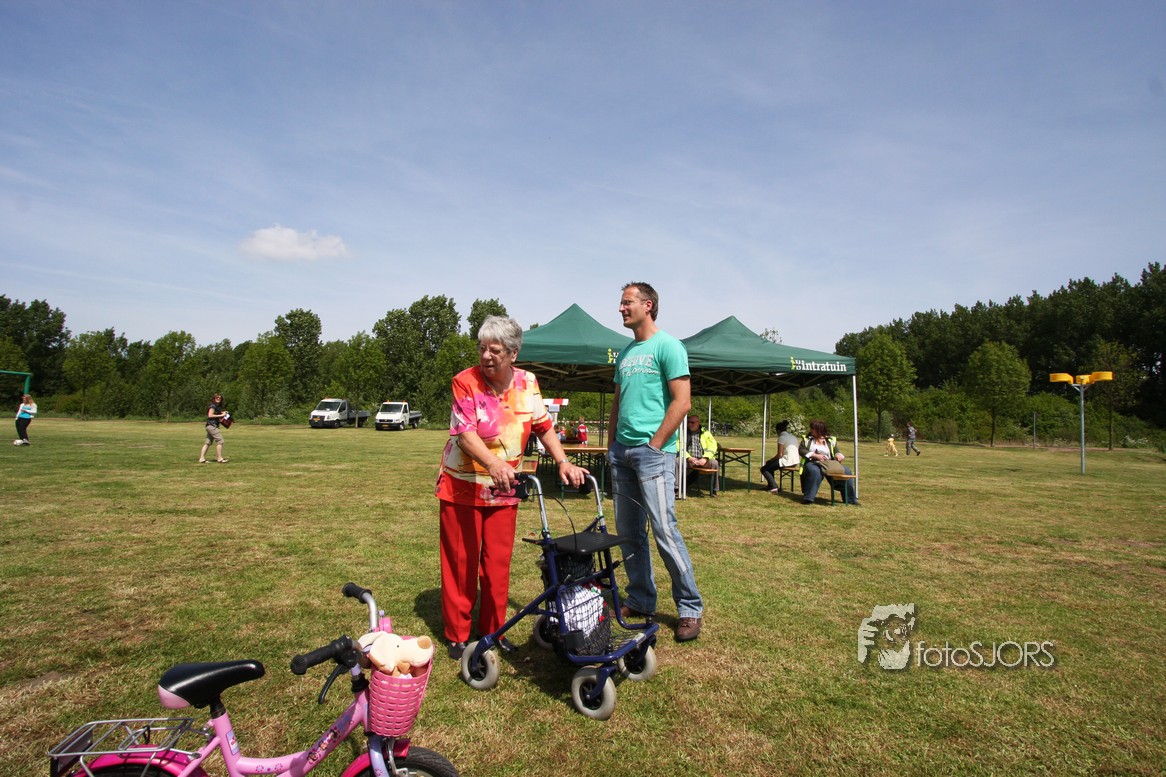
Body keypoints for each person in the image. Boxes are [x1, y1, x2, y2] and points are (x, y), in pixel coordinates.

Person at [435, 316, 587, 660]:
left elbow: (543, 426)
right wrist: (493, 464)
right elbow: (465, 434)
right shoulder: (465, 382)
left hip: (505, 488)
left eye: (495, 350)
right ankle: (458, 635)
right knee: (461, 562)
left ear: (513, 353)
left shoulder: (527, 383)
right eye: (482, 348)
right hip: (463, 485)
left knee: (497, 564)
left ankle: (493, 630)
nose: (486, 356)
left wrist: (563, 461)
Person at [608, 282, 704, 642]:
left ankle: (690, 607)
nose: (621, 308)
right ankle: (640, 598)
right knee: (628, 533)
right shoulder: (625, 354)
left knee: (664, 530)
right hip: (622, 454)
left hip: (653, 455)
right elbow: (617, 402)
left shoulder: (669, 346)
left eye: (627, 302)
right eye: (621, 303)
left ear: (648, 305)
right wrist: (612, 445)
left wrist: (656, 444)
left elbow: (682, 402)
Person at [799, 419, 857, 505]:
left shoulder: (830, 440)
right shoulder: (807, 439)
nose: (811, 430)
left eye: (812, 428)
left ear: (819, 430)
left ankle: (850, 499)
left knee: (847, 470)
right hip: (813, 463)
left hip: (829, 463)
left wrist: (838, 455)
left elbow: (836, 451)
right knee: (814, 471)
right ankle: (808, 498)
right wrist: (815, 455)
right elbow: (801, 450)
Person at [760, 419, 800, 492]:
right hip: (795, 461)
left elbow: (779, 455)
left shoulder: (782, 437)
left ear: (778, 431)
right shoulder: (793, 436)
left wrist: (771, 460)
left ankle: (773, 486)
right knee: (770, 466)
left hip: (787, 461)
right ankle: (770, 485)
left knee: (764, 469)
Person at [682, 414, 719, 493]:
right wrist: (689, 458)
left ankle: (714, 489)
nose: (690, 424)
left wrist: (705, 458)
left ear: (698, 423)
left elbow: (713, 446)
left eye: (692, 422)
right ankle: (677, 488)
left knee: (715, 463)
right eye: (688, 422)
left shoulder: (706, 433)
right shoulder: (683, 433)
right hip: (689, 459)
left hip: (703, 459)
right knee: (678, 462)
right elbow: (679, 446)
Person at [198, 393, 229, 463]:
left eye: (220, 398)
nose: (218, 399)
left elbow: (217, 413)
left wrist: (223, 413)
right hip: (212, 426)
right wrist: (221, 415)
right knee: (220, 441)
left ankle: (201, 459)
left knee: (207, 443)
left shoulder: (216, 407)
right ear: (214, 399)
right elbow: (210, 415)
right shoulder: (212, 406)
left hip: (210, 426)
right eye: (217, 397)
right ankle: (220, 458)